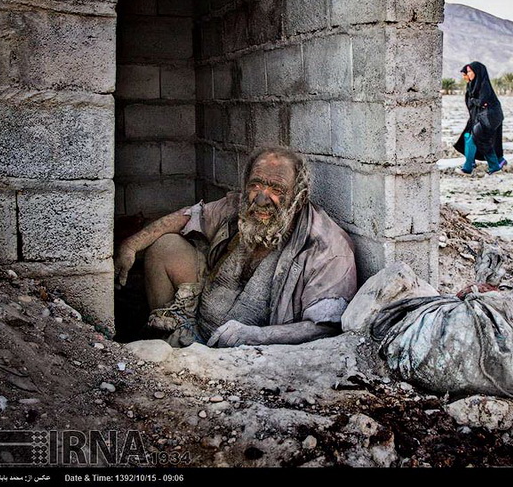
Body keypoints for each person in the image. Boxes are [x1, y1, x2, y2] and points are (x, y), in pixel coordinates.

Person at [114, 147, 358, 348]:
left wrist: (256, 336)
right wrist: (131, 245)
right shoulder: (238, 207)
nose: (262, 199)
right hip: (197, 324)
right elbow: (187, 217)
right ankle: (167, 334)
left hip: (253, 350)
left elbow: (326, 328)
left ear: (299, 197)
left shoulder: (327, 247)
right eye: (256, 185)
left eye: (276, 189)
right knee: (165, 246)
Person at [453, 62, 507, 175]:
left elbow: (482, 101)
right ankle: (482, 164)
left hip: (490, 117)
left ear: (477, 72)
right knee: (469, 137)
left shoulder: (483, 85)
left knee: (478, 139)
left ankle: (471, 167)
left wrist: (476, 102)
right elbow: (475, 104)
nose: (466, 75)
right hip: (479, 116)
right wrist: (477, 103)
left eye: (469, 72)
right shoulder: (472, 85)